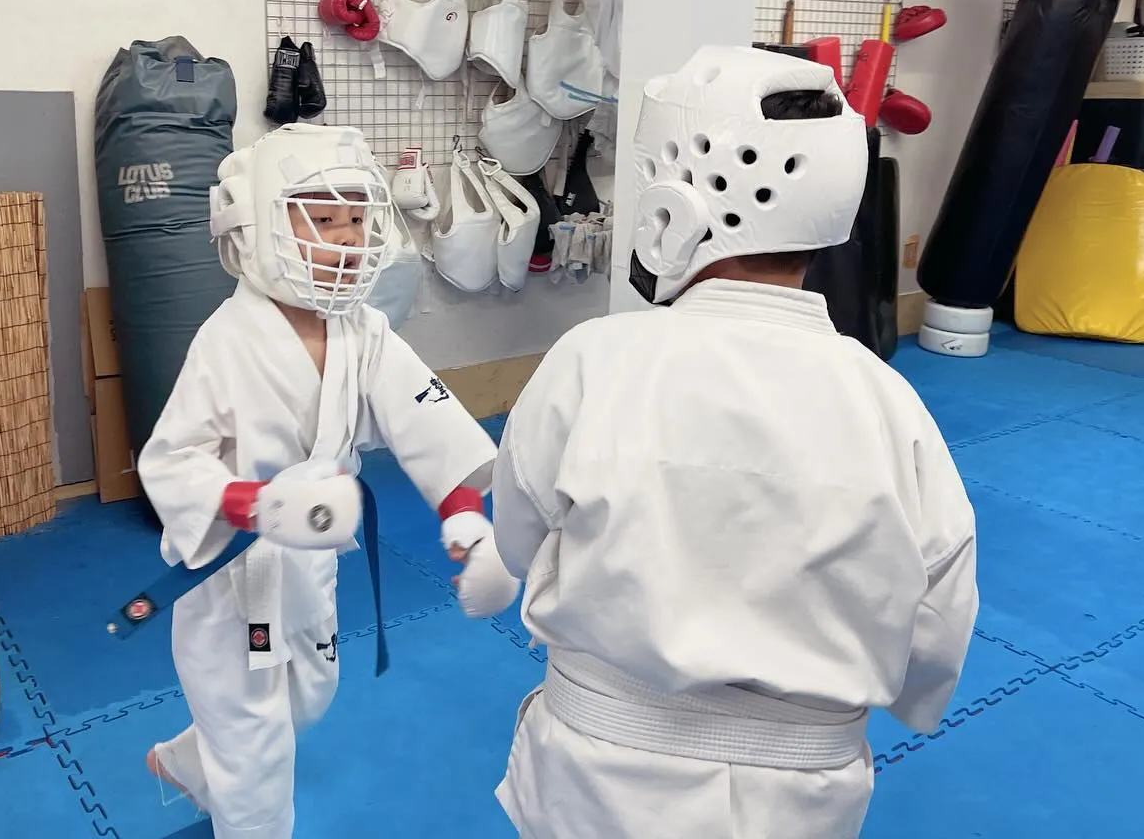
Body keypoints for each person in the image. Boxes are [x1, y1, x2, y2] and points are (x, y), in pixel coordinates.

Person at [491, 45, 978, 839]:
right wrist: (914, 697)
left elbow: (519, 536)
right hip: (804, 796)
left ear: (670, 208)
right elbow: (937, 610)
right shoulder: (890, 404)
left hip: (596, 773)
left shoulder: (594, 361)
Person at [137, 122, 519, 839]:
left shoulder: (361, 329)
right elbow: (170, 457)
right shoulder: (228, 339)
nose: (347, 238)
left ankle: (190, 761)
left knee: (309, 696)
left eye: (355, 219)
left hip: (313, 560)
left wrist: (466, 515)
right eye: (324, 220)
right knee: (255, 747)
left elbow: (423, 415)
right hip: (234, 577)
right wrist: (251, 502)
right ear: (256, 228)